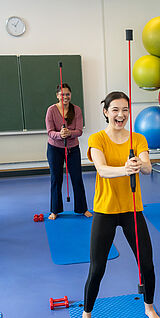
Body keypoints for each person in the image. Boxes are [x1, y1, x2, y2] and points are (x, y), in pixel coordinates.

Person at [77, 92, 160, 318]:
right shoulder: (97, 139)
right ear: (106, 112)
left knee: (146, 262)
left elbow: (147, 167)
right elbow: (102, 170)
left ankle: (149, 307)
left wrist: (140, 165)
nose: (120, 115)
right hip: (105, 210)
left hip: (132, 210)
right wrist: (125, 169)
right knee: (97, 268)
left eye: (124, 109)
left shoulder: (138, 138)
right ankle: (87, 315)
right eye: (115, 109)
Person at [45, 83, 92, 219]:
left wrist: (69, 133)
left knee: (77, 178)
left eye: (67, 94)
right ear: (57, 95)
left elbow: (79, 131)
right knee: (56, 178)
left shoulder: (76, 109)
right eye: (62, 94)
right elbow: (49, 131)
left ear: (70, 95)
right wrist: (60, 135)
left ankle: (82, 209)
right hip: (55, 149)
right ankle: (55, 210)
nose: (65, 96)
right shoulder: (51, 110)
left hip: (72, 149)